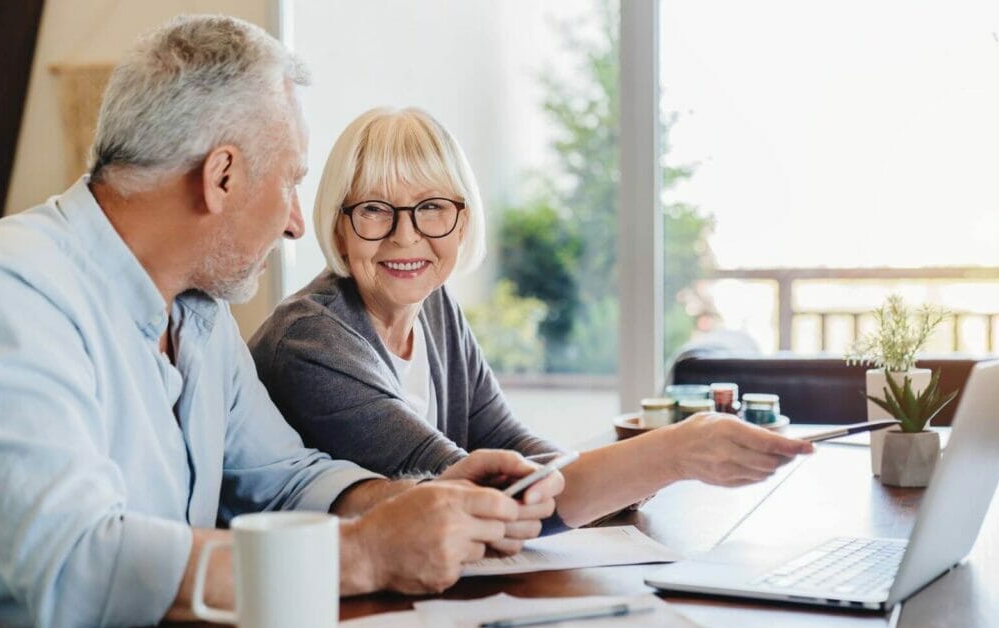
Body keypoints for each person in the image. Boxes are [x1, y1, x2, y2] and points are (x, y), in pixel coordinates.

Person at [0, 16, 563, 628]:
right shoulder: (9, 290)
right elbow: (75, 567)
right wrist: (362, 554)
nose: (294, 224)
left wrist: (421, 498)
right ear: (221, 176)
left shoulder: (199, 315)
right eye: (290, 182)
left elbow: (283, 477)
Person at [249, 107, 814, 529]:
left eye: (431, 208)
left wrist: (617, 479)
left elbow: (509, 442)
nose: (406, 235)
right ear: (339, 225)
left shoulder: (436, 308)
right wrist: (669, 454)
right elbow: (479, 496)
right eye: (374, 209)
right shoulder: (311, 341)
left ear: (463, 222)